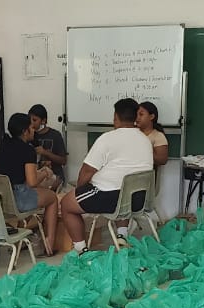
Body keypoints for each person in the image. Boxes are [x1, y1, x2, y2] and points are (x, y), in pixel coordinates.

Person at [59, 98, 153, 253]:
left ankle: (81, 250)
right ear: (136, 116)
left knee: (67, 205)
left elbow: (86, 171)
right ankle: (121, 237)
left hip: (109, 198)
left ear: (115, 116)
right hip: (138, 199)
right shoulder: (145, 140)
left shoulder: (107, 139)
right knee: (125, 191)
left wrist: (79, 190)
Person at [0, 113, 60, 254]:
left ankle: (21, 240)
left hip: (2, 199)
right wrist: (44, 172)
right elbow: (31, 182)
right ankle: (49, 244)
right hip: (19, 198)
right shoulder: (27, 149)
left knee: (39, 193)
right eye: (31, 127)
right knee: (52, 198)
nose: (34, 130)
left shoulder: (3, 145)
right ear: (25, 131)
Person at [28, 104, 67, 186]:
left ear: (43, 121)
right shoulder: (28, 135)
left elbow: (63, 160)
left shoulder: (55, 135)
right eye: (29, 120)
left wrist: (45, 153)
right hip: (36, 178)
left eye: (34, 120)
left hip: (54, 177)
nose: (31, 123)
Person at [136, 101, 169, 167]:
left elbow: (162, 160)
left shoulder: (158, 136)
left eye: (141, 114)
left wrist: (141, 151)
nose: (137, 118)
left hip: (147, 173)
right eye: (136, 114)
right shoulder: (133, 132)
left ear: (151, 116)